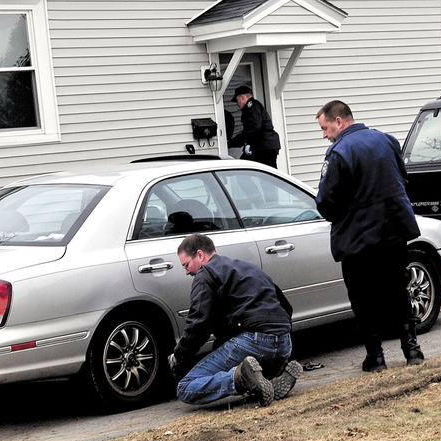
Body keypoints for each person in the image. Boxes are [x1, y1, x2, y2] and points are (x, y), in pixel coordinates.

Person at [314, 100, 424, 373]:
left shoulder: (338, 152)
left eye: (325, 128)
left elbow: (326, 201)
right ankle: (412, 349)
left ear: (339, 121)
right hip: (394, 231)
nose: (324, 135)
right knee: (398, 289)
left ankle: (375, 357)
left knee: (363, 298)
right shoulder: (387, 141)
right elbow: (403, 178)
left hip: (358, 238)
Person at [168, 233, 302, 406]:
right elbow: (285, 307)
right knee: (255, 375)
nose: (187, 271)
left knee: (185, 387)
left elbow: (198, 325)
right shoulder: (249, 267)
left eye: (186, 265)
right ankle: (273, 378)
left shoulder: (205, 274)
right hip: (284, 343)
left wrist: (179, 356)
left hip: (253, 341)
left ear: (200, 255)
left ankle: (240, 378)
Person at [227, 86, 282, 168]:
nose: (237, 104)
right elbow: (246, 134)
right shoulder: (251, 108)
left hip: (264, 146)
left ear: (242, 97)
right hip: (264, 145)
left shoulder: (252, 106)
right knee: (261, 172)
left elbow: (255, 127)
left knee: (248, 168)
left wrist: (249, 144)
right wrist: (229, 144)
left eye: (237, 100)